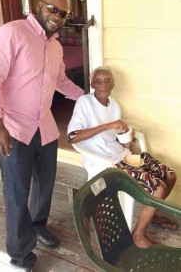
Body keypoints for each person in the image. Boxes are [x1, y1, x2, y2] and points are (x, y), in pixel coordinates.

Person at [0, 0, 84, 272]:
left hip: (45, 127)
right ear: (39, 5)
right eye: (53, 9)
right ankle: (21, 256)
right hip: (13, 128)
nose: (57, 17)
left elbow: (60, 81)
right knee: (16, 193)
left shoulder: (56, 46)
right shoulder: (11, 34)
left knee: (44, 186)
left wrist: (86, 98)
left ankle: (38, 227)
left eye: (63, 14)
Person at [67, 66, 177, 249]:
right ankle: (138, 234)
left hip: (122, 154)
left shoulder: (114, 105)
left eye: (107, 80)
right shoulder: (84, 103)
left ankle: (152, 212)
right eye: (99, 80)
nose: (103, 84)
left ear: (113, 84)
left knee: (169, 175)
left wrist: (127, 138)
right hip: (104, 161)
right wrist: (107, 125)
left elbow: (116, 137)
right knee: (158, 188)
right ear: (92, 84)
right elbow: (72, 137)